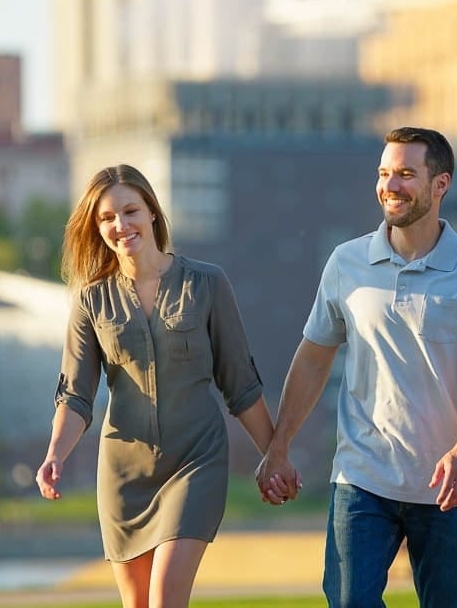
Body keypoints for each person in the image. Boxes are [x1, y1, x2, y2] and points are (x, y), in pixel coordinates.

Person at [256, 127, 457, 607]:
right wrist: (279, 446)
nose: (389, 185)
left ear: (440, 185)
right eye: (383, 173)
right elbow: (313, 359)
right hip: (363, 477)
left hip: (450, 487)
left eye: (404, 174)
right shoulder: (346, 262)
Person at [36, 164, 287, 608]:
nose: (120, 225)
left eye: (130, 210)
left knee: (167, 598)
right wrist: (56, 453)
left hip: (196, 461)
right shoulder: (91, 299)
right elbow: (75, 393)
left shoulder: (207, 282)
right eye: (107, 218)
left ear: (152, 211)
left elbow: (240, 383)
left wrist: (276, 455)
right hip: (123, 474)